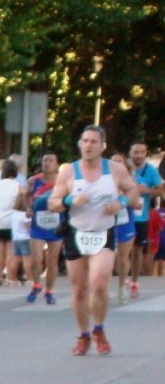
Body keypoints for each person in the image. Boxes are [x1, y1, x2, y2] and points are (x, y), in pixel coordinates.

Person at [49, 125, 139, 355]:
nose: (88, 145)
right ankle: (84, 335)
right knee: (79, 290)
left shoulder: (115, 169)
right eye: (85, 141)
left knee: (99, 285)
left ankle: (98, 329)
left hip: (103, 232)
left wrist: (121, 203)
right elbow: (53, 203)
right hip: (76, 233)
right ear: (80, 144)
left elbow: (133, 192)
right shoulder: (69, 171)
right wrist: (70, 200)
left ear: (103, 146)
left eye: (93, 142)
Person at [26, 152, 65, 305]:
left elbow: (69, 199)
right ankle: (36, 285)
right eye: (45, 160)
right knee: (36, 259)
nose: (47, 163)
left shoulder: (63, 181)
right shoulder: (33, 180)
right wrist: (29, 207)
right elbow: (26, 196)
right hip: (38, 224)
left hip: (57, 224)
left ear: (56, 164)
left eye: (51, 160)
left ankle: (49, 291)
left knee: (52, 260)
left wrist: (64, 209)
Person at [126, 141, 163, 298]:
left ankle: (134, 282)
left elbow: (162, 190)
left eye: (142, 152)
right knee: (120, 253)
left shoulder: (151, 170)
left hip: (141, 217)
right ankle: (121, 280)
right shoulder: (124, 169)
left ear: (146, 154)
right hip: (123, 216)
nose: (139, 155)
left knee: (137, 251)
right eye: (136, 152)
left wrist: (146, 190)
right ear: (130, 154)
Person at [0, 159, 25, 285]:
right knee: (10, 250)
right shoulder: (19, 186)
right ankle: (11, 277)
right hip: (11, 221)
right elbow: (22, 204)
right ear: (15, 171)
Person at [109, 152, 137, 304]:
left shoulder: (129, 181)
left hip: (125, 222)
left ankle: (121, 287)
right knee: (107, 256)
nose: (117, 164)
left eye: (120, 161)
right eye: (114, 161)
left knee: (123, 257)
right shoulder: (103, 180)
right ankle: (103, 288)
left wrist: (123, 201)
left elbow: (136, 202)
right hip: (107, 222)